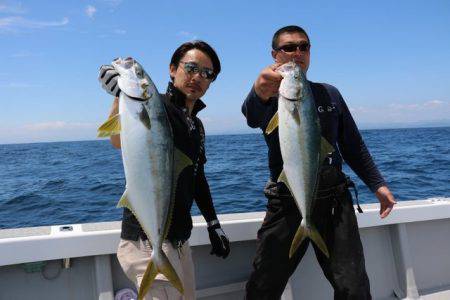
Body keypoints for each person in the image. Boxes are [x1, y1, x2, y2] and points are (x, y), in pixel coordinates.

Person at [241, 25, 396, 299]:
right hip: (287, 202)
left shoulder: (329, 94)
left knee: (354, 288)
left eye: (304, 46)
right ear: (274, 54)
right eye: (289, 47)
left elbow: (352, 144)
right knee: (263, 287)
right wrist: (258, 90)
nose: (297, 52)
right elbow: (251, 115)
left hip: (335, 201)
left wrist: (378, 184)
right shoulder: (269, 95)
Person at [98, 40, 230, 300]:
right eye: (191, 68)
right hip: (148, 242)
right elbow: (116, 140)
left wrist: (213, 223)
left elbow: (197, 177)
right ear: (172, 69)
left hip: (179, 242)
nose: (197, 77)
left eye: (207, 73)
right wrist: (119, 95)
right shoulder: (156, 106)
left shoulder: (196, 125)